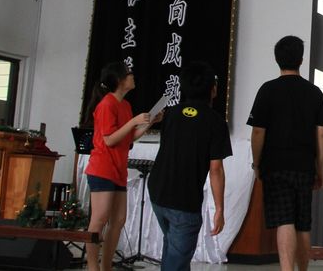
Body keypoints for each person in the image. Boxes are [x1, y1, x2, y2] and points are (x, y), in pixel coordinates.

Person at [248, 36, 323, 271]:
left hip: (275, 166)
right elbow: (321, 135)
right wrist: (319, 169)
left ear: (277, 59)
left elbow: (258, 132)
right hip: (304, 166)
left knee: (285, 220)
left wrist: (256, 163)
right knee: (302, 223)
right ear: (301, 60)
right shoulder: (315, 93)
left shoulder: (267, 90)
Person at [147, 61, 232, 271]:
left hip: (158, 192)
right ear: (213, 90)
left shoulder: (171, 114)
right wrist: (220, 209)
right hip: (184, 200)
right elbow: (216, 169)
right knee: (176, 260)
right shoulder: (216, 122)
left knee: (174, 250)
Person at [83, 62, 154, 271]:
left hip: (118, 169)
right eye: (129, 74)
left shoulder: (125, 105)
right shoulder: (107, 104)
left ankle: (106, 265)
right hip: (102, 168)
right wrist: (133, 122)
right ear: (119, 80)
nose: (133, 76)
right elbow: (109, 140)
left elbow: (128, 138)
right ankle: (92, 266)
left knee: (119, 219)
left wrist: (149, 123)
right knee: (100, 218)